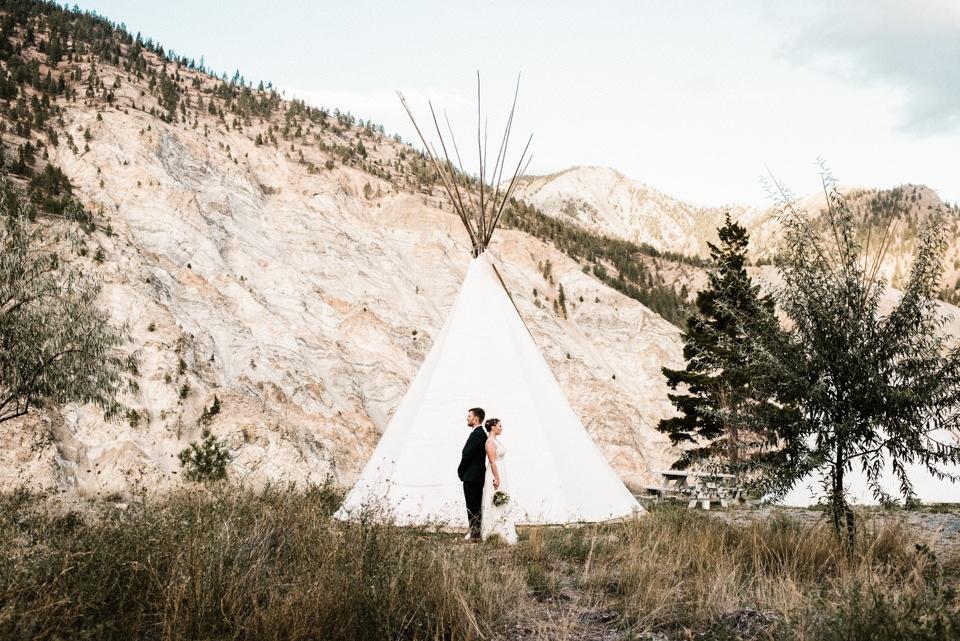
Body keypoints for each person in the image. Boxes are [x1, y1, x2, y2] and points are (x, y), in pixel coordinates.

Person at [480, 418, 518, 544]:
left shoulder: (496, 440)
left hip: (501, 471)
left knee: (502, 499)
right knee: (494, 498)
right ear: (493, 427)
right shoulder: (490, 442)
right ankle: (493, 530)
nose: (501, 428)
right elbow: (492, 461)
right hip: (494, 472)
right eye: (500, 426)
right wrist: (496, 478)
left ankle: (504, 529)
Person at [457, 407, 487, 541]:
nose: (467, 418)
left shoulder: (477, 434)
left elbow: (467, 454)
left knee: (472, 506)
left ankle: (475, 534)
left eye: (469, 416)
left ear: (476, 418)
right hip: (477, 475)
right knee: (475, 505)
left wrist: (460, 470)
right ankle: (475, 532)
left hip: (472, 476)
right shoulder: (481, 433)